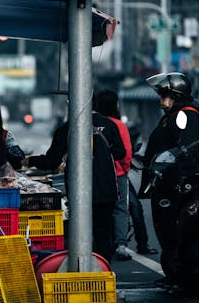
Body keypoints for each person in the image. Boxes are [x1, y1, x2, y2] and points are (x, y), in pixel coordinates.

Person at [22, 102, 126, 263]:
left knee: (80, 233)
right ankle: (105, 270)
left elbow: (51, 161)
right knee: (104, 233)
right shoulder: (109, 124)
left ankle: (83, 267)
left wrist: (28, 161)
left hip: (79, 191)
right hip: (106, 188)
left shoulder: (66, 129)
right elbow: (120, 152)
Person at [142, 72, 199, 285]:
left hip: (180, 183)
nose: (161, 102)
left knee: (170, 225)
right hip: (180, 180)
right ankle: (181, 269)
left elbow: (187, 150)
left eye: (165, 96)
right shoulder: (176, 116)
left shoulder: (186, 115)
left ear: (177, 96)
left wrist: (171, 167)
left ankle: (184, 269)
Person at [95, 90, 133, 261]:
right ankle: (121, 245)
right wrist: (124, 170)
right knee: (120, 209)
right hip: (117, 174)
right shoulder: (117, 124)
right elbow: (126, 153)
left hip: (96, 175)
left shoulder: (93, 123)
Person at [127, 124, 158, 255]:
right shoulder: (115, 126)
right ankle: (142, 244)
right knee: (135, 208)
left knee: (135, 208)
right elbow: (124, 153)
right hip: (118, 177)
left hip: (116, 176)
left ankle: (142, 243)